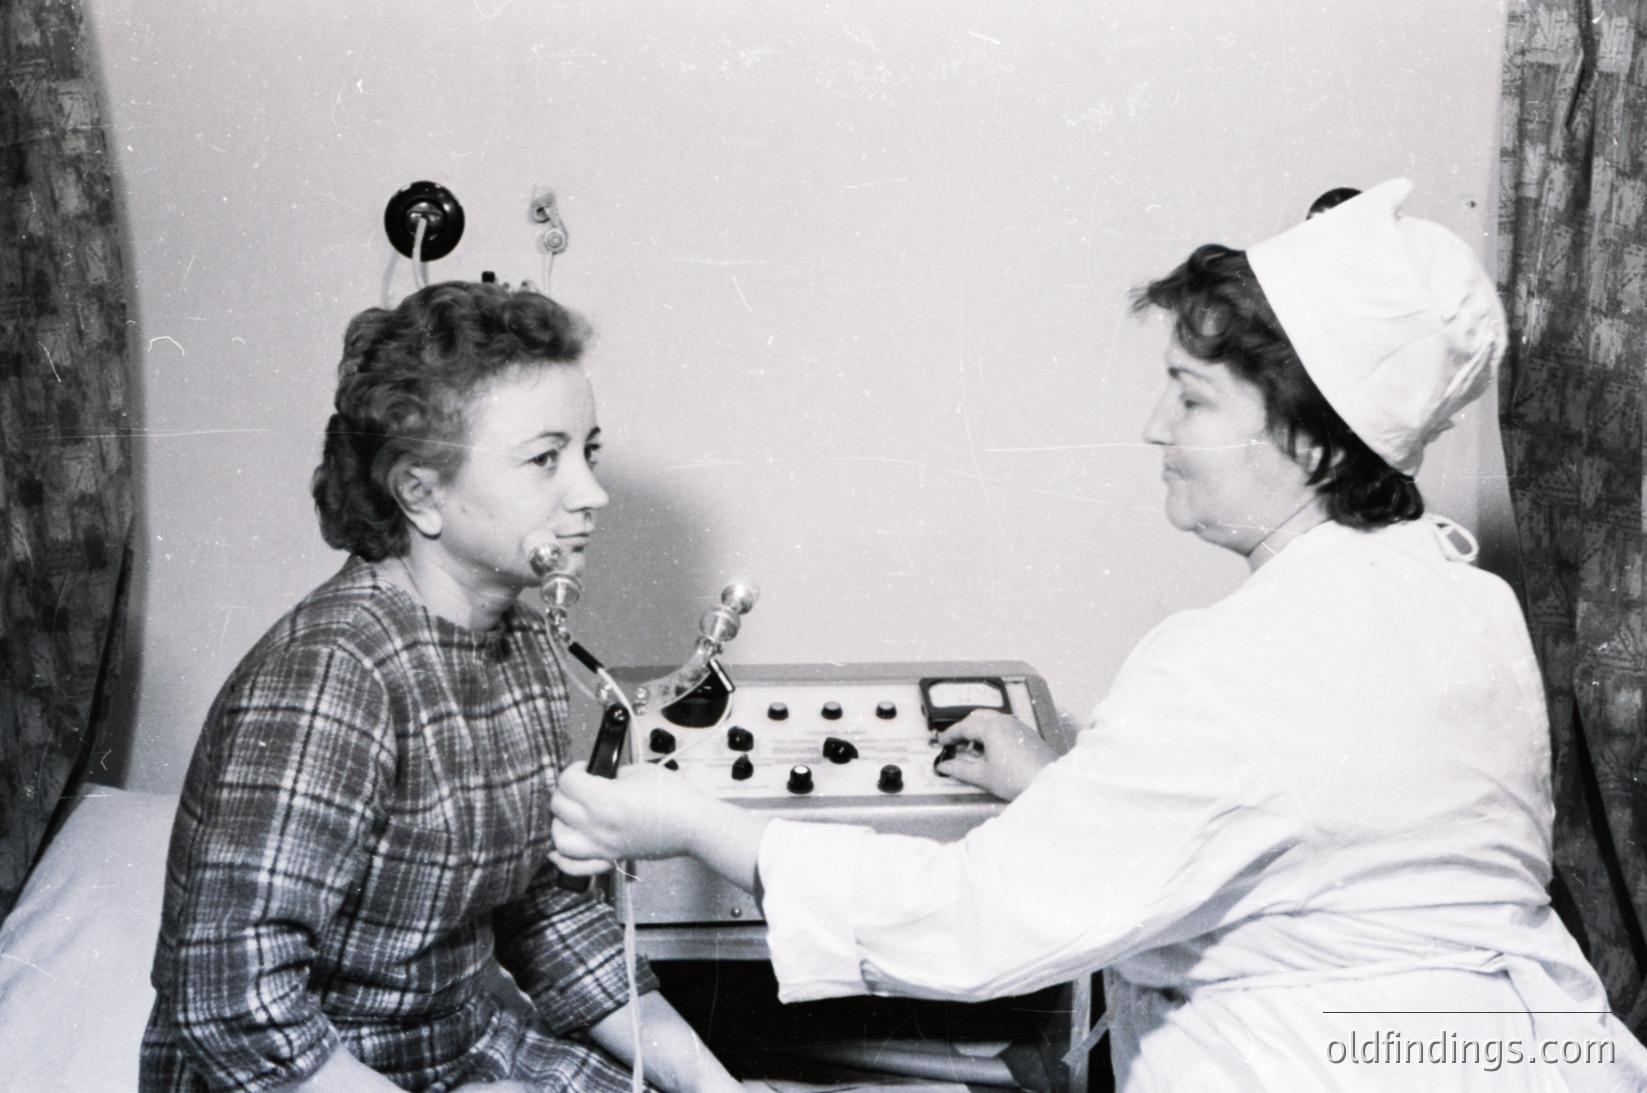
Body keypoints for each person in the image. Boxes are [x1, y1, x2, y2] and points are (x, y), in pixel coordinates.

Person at [548, 179, 1647, 1090]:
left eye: (1193, 397)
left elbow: (974, 923)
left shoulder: (1231, 661)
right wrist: (1059, 784)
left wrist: (693, 819)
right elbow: (1329, 843)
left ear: (1313, 444)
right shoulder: (1470, 602)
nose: (1154, 428)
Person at [140, 282, 742, 1093]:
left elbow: (545, 912)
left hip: (461, 1053)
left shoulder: (523, 644)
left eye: (588, 453)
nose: (591, 493)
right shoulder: (333, 673)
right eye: (545, 459)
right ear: (420, 492)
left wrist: (717, 1088)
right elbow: (231, 1002)